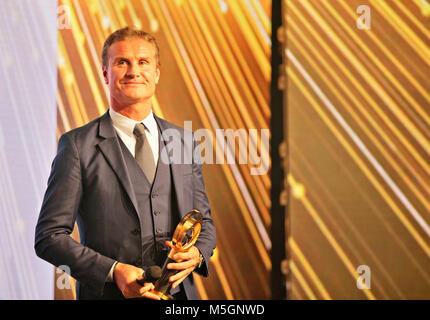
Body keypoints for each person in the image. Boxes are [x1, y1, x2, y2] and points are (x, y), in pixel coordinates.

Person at [34, 27, 216, 300]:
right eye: (122, 62)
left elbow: (205, 222)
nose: (134, 71)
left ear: (156, 72)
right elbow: (49, 237)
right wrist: (114, 270)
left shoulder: (184, 141)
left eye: (143, 62)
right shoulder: (76, 145)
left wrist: (197, 253)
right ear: (105, 73)